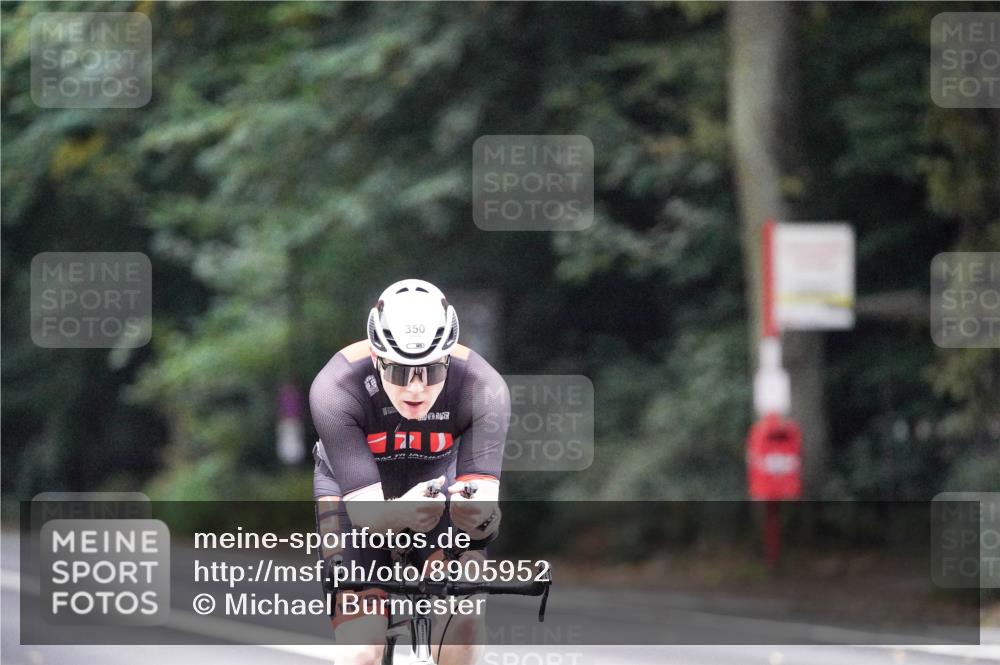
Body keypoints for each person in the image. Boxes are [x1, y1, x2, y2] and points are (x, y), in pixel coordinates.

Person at [310, 278, 510, 665]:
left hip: (440, 493)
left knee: (464, 627)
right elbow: (367, 515)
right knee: (360, 655)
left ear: (449, 359)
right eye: (400, 372)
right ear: (377, 357)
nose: (416, 389)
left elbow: (482, 516)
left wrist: (481, 516)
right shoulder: (335, 387)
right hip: (355, 501)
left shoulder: (484, 388)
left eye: (431, 371)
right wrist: (399, 512)